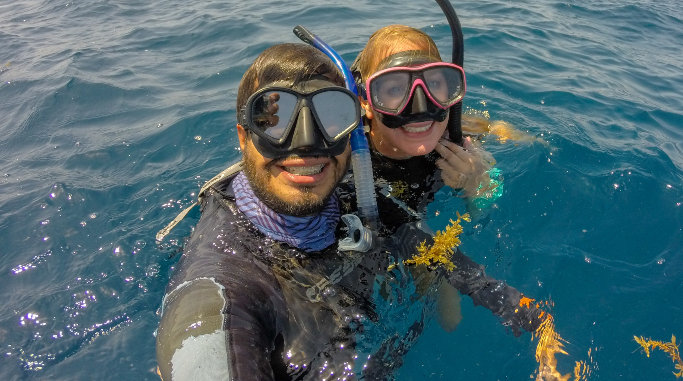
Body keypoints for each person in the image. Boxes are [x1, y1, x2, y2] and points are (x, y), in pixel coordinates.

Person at [155, 43, 541, 381]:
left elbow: (440, 254)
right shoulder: (222, 284)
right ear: (243, 137)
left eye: (330, 118)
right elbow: (209, 340)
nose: (307, 145)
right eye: (274, 121)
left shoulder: (352, 196)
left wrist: (537, 323)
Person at [350, 24, 501, 232]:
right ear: (365, 101)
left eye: (434, 84)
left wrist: (477, 187)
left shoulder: (461, 138)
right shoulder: (348, 157)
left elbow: (486, 217)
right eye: (395, 88)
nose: (420, 107)